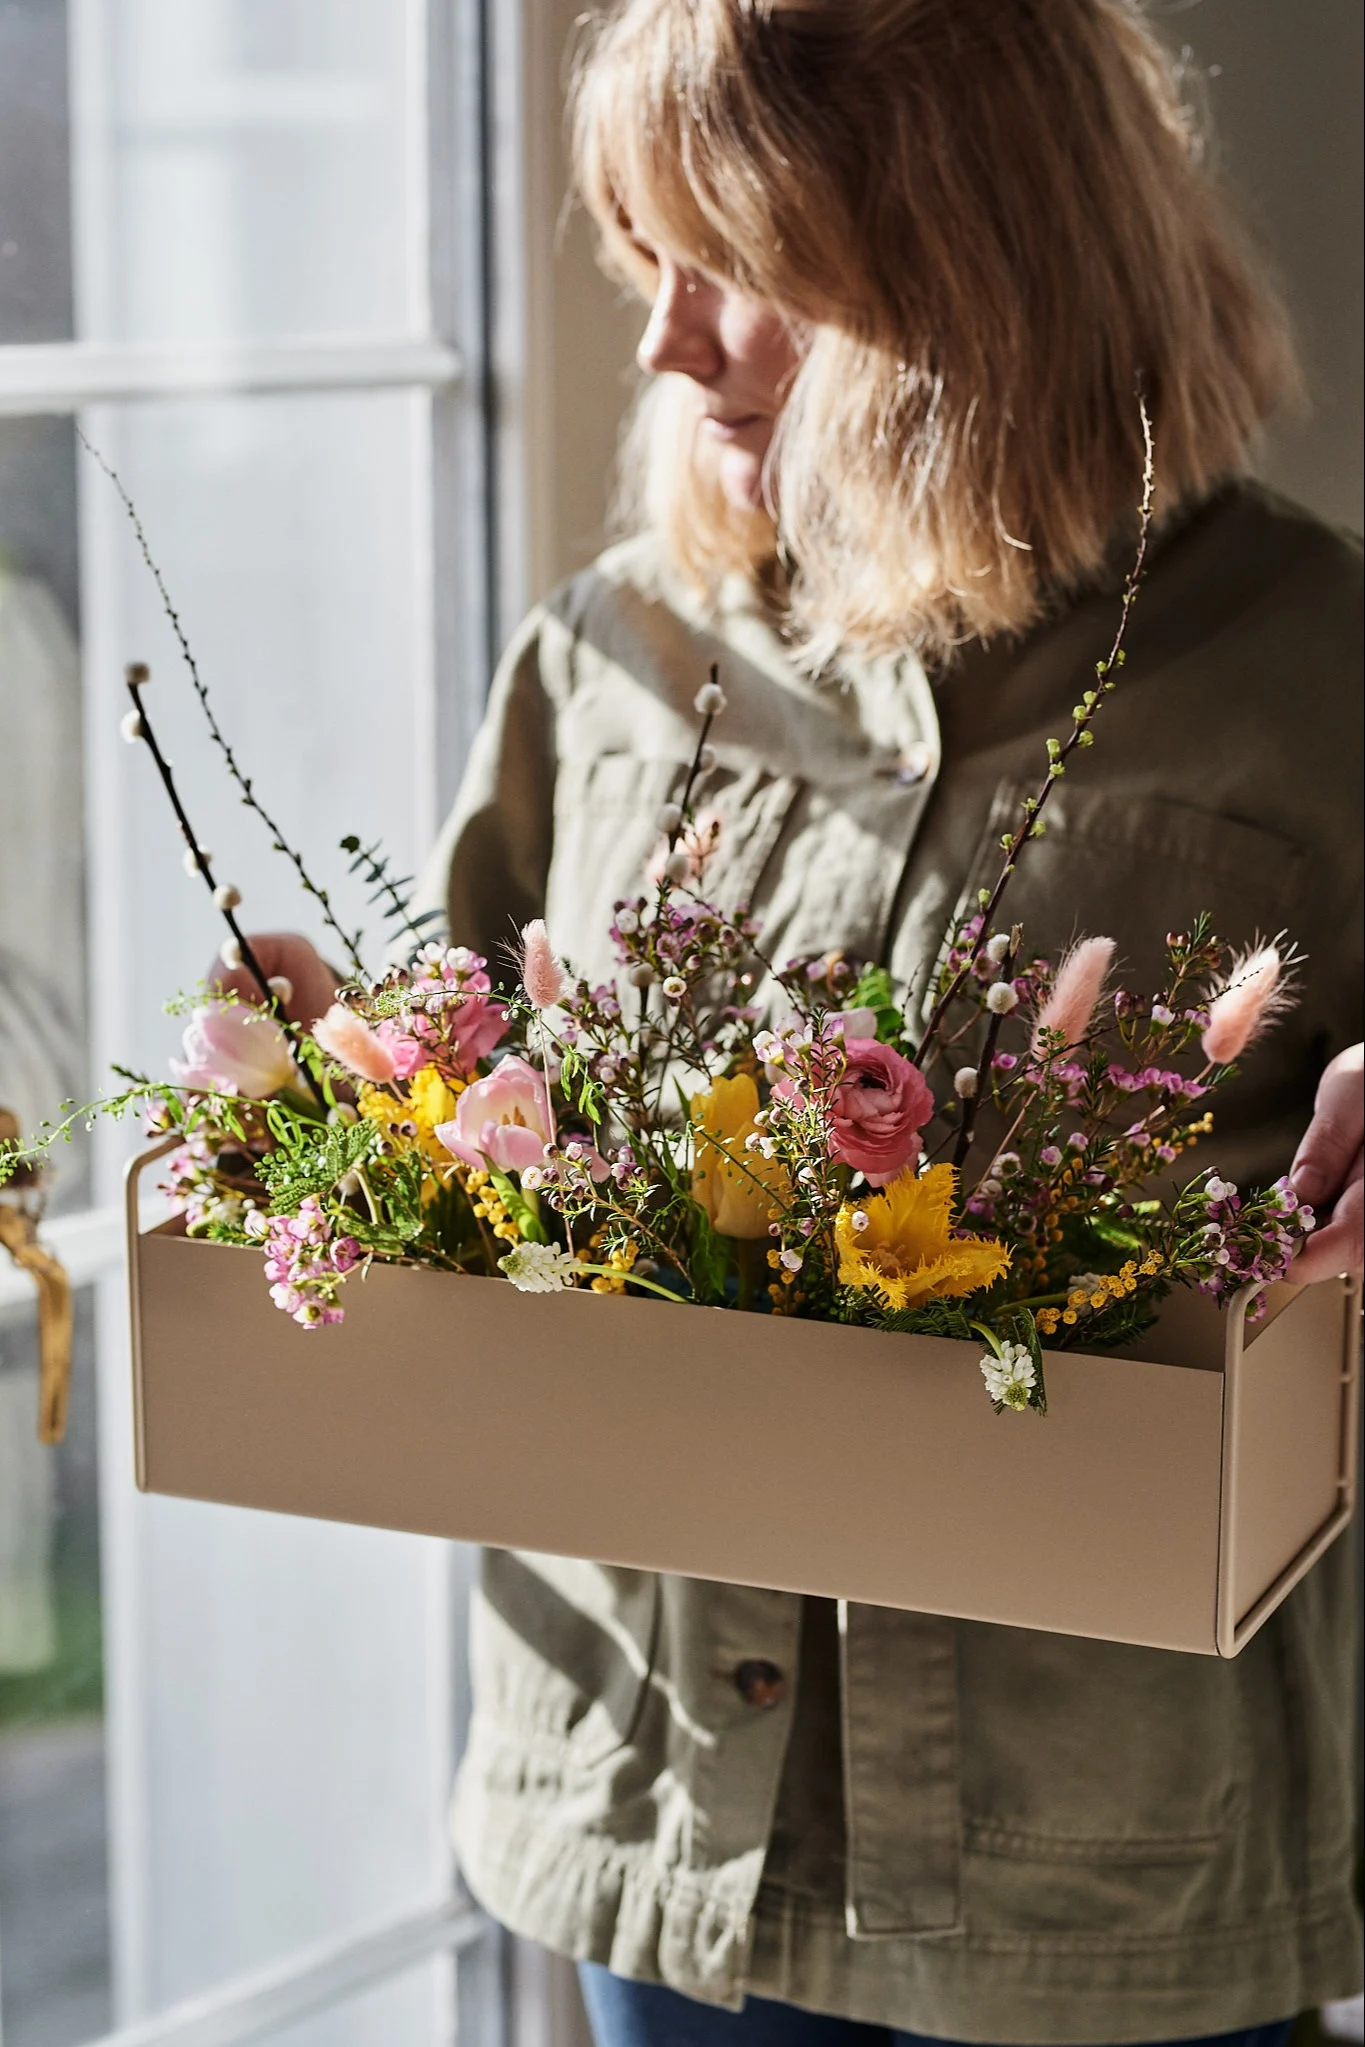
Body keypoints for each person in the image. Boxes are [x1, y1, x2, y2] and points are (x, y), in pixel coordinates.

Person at [227, 2, 1364, 2040]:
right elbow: (476, 1139)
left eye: (733, 270)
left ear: (978, 270)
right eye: (638, 264)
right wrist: (340, 1097)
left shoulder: (1322, 673)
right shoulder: (604, 661)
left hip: (1108, 1889)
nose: (667, 347)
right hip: (651, 1831)